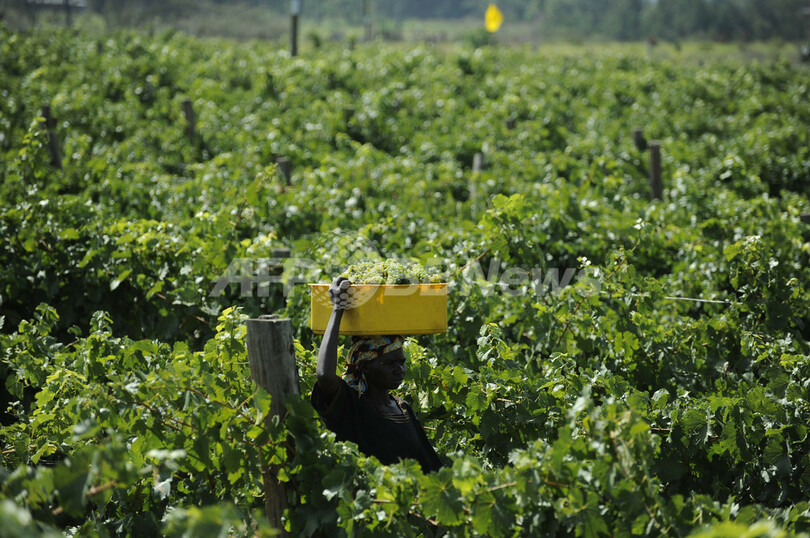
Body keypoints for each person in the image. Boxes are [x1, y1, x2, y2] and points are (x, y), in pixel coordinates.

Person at [311, 276, 443, 473]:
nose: (399, 369)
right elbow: (324, 375)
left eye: (401, 362)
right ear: (364, 367)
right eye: (389, 363)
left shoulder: (402, 408)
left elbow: (430, 466)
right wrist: (337, 309)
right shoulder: (350, 405)